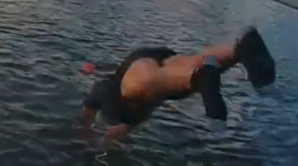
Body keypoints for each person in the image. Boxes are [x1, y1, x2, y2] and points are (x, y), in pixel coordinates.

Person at [82, 26, 275, 144]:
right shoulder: (131, 115)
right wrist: (100, 139)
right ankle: (242, 47)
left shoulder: (118, 95)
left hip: (140, 75)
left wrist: (85, 134)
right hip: (151, 61)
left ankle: (205, 80)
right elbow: (121, 125)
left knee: (150, 85)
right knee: (196, 62)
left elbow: (91, 111)